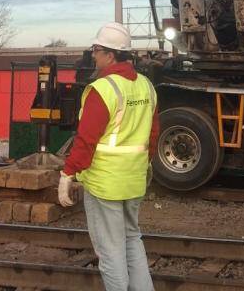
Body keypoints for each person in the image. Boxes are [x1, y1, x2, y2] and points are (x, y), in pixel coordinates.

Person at [58, 22, 159, 291]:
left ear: (111, 54)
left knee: (110, 251)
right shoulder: (146, 86)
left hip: (106, 184)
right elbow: (153, 135)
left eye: (97, 49)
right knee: (132, 239)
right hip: (133, 181)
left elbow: (86, 140)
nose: (93, 54)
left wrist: (67, 173)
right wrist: (145, 165)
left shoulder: (102, 89)